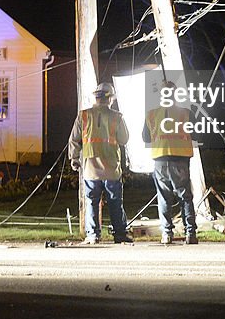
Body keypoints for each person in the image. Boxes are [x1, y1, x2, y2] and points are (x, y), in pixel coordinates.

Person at [68, 82, 133, 244]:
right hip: (111, 168)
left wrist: (74, 159)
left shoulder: (83, 115)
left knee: (91, 202)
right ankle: (119, 234)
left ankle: (93, 235)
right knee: (115, 202)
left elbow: (74, 140)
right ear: (110, 99)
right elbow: (124, 140)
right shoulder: (116, 117)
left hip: (90, 168)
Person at [142, 80, 198, 245]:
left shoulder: (151, 114)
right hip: (180, 159)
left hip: (160, 159)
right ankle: (191, 234)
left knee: (164, 198)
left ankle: (167, 234)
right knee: (185, 197)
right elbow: (196, 134)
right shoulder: (186, 113)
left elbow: (145, 137)